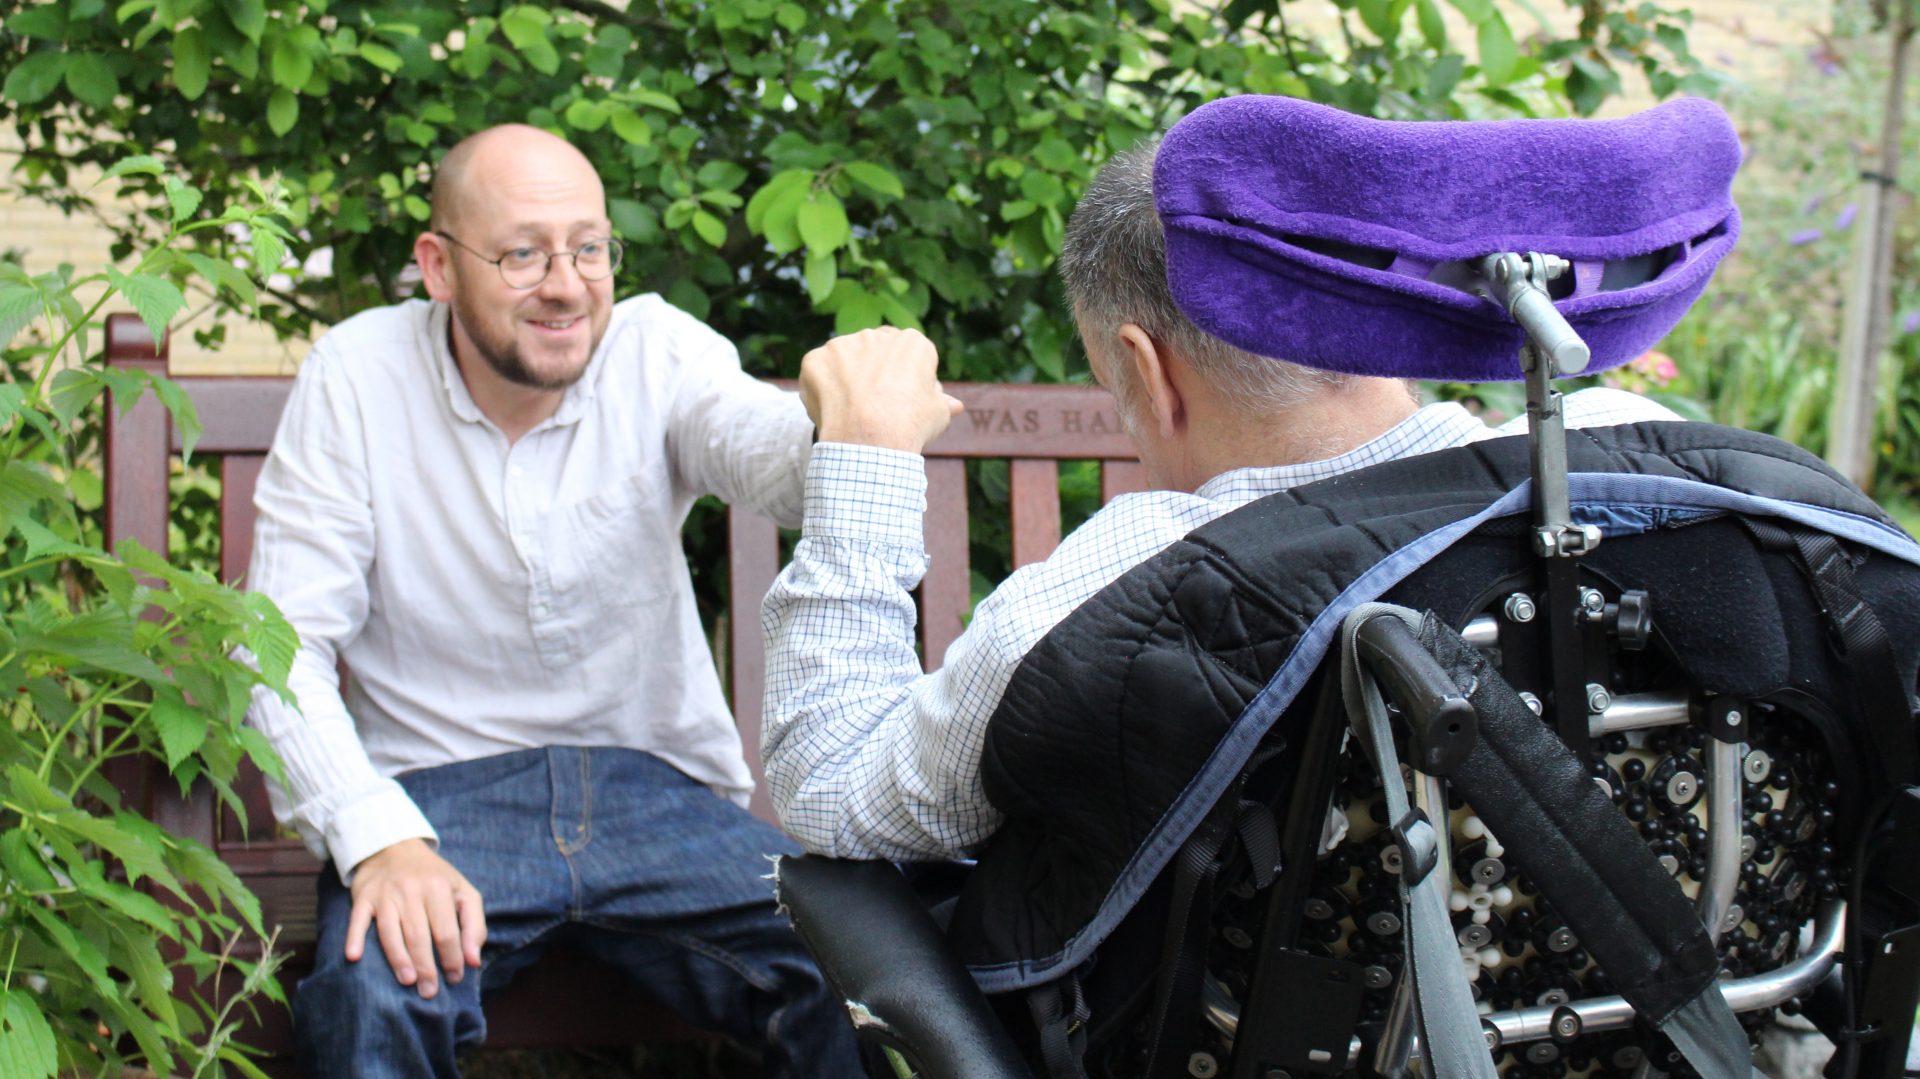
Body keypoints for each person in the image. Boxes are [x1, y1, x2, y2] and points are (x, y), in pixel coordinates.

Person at [759, 137, 1678, 864]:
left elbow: (834, 787)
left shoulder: (1116, 591)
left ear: (1149, 372)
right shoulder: (1640, 460)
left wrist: (866, 457)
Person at [244, 124, 859, 1078]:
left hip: (656, 795)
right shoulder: (357, 375)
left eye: (589, 246)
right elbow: (275, 646)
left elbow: (767, 452)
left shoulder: (657, 351)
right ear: (438, 267)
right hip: (441, 803)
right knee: (372, 997)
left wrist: (849, 425)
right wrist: (377, 837)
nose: (568, 283)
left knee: (865, 970)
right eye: (523, 252)